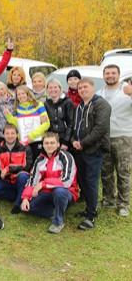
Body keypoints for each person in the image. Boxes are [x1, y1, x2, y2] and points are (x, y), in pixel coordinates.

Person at [71, 77, 111, 230]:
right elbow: (76, 126)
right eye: (80, 88)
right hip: (80, 150)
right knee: (82, 181)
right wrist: (75, 140)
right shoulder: (80, 106)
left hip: (94, 150)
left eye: (85, 87)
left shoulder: (101, 104)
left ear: (93, 87)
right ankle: (88, 208)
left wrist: (82, 143)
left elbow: (100, 129)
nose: (82, 90)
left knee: (91, 182)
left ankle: (91, 216)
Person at [21, 132, 78, 234]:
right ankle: (55, 211)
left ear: (58, 144)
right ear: (43, 145)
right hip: (47, 192)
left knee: (59, 191)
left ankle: (58, 222)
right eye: (46, 143)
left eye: (52, 143)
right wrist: (25, 198)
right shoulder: (39, 159)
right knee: (28, 207)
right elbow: (32, 181)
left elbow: (66, 182)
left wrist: (43, 184)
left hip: (67, 192)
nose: (49, 145)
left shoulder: (66, 157)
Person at [96, 64, 132, 217]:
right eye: (107, 73)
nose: (110, 76)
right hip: (104, 137)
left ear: (118, 74)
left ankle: (123, 204)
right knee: (106, 170)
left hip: (123, 136)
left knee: (123, 171)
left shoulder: (127, 90)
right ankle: (108, 198)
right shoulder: (100, 92)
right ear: (103, 75)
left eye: (113, 73)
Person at [0, 124, 32, 214]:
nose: (10, 136)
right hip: (6, 180)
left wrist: (9, 169)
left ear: (17, 135)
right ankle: (15, 194)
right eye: (7, 133)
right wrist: (7, 174)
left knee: (23, 176)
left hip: (19, 179)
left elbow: (27, 165)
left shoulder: (25, 148)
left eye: (12, 133)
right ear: (3, 135)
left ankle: (18, 204)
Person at [4, 85, 50, 161]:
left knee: (38, 163)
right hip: (24, 141)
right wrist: (9, 116)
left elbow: (46, 124)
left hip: (37, 140)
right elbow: (17, 125)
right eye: (19, 94)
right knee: (26, 164)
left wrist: (32, 136)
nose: (21, 96)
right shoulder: (17, 107)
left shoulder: (38, 104)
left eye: (23, 93)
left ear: (28, 94)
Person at [44, 79, 74, 150]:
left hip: (64, 138)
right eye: (50, 88)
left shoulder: (67, 102)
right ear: (47, 89)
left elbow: (71, 122)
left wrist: (66, 142)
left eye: (55, 87)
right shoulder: (46, 103)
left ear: (59, 88)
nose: (53, 90)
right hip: (51, 140)